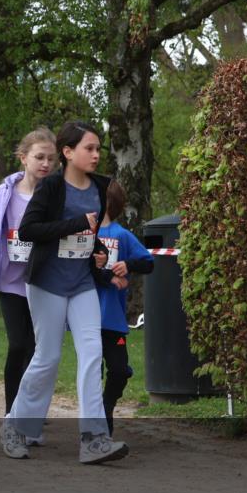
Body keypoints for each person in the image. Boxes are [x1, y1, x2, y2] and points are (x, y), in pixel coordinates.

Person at [0, 121, 129, 465]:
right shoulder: (52, 187)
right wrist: (75, 224)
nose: (96, 155)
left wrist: (99, 251)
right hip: (46, 284)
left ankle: (93, 438)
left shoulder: (101, 187)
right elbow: (29, 230)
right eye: (89, 148)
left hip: (83, 282)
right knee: (49, 357)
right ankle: (15, 426)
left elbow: (88, 236)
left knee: (91, 353)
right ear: (68, 153)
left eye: (99, 148)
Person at [0, 128, 57, 416]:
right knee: (18, 346)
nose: (45, 164)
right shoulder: (4, 193)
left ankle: (29, 416)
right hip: (11, 281)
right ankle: (10, 413)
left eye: (51, 159)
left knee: (38, 352)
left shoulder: (57, 196)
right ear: (23, 158)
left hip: (44, 282)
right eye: (39, 157)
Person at [97, 180, 153, 433]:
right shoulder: (83, 234)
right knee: (91, 372)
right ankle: (99, 427)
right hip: (85, 317)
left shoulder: (121, 235)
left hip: (114, 319)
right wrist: (107, 275)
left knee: (118, 371)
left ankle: (107, 404)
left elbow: (149, 263)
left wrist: (128, 265)